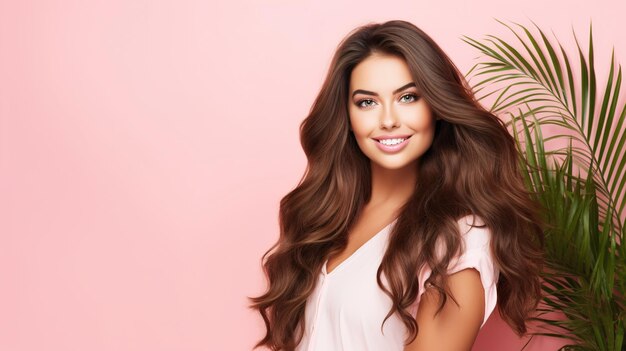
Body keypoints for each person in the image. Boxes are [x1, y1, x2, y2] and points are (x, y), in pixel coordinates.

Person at [248, 19, 545, 351]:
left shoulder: (460, 239)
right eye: (367, 102)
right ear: (346, 115)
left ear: (436, 106)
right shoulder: (326, 215)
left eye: (408, 97)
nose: (388, 119)